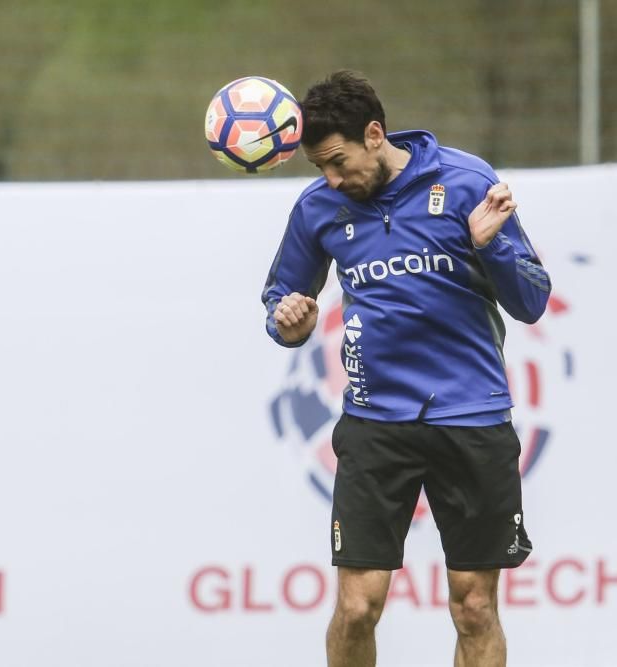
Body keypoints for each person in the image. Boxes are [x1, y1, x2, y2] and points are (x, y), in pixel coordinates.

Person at [261, 70, 551, 667]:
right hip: (375, 425)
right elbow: (283, 297)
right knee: (357, 607)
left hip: (471, 418)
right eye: (321, 169)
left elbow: (532, 301)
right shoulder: (319, 208)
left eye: (340, 162)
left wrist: (491, 245)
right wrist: (286, 321)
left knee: (474, 606)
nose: (334, 179)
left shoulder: (469, 182)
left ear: (374, 133)